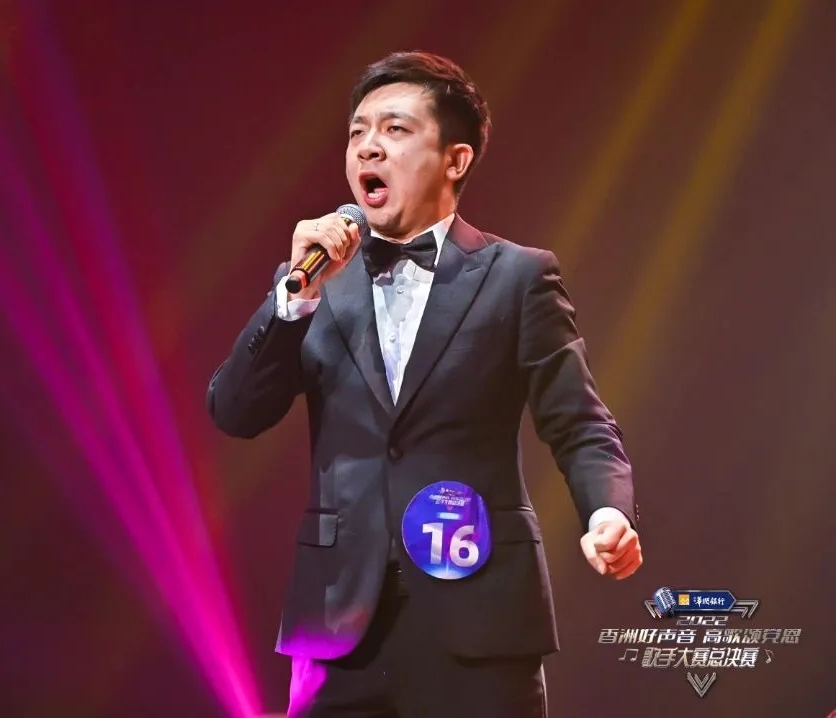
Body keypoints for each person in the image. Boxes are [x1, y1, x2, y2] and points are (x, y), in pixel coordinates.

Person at [207, 51, 642, 718]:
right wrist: (292, 303)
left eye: (395, 129)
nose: (367, 146)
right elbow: (235, 411)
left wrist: (607, 513)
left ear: (455, 159)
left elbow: (579, 421)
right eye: (357, 132)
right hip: (337, 630)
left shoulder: (517, 277)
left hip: (478, 619)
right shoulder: (315, 284)